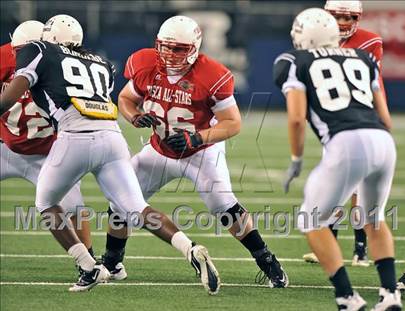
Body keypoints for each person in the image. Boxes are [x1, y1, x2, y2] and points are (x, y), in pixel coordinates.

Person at [0, 14, 221, 295]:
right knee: (136, 208)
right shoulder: (100, 61)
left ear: (49, 37)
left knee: (45, 203)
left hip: (74, 137)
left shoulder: (40, 50)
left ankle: (87, 267)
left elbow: (10, 99)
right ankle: (190, 248)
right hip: (112, 138)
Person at [103, 15, 289, 288]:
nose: (169, 54)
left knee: (224, 207)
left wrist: (197, 138)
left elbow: (233, 123)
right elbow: (126, 99)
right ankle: (112, 262)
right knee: (120, 197)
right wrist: (133, 116)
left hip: (201, 152)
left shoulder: (212, 74)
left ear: (193, 48)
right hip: (159, 149)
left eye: (177, 48)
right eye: (165, 47)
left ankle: (268, 261)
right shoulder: (144, 63)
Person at [274, 8, 401, 310]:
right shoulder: (363, 58)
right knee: (374, 218)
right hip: (383, 141)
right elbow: (386, 118)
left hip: (345, 141)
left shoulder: (293, 61)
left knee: (310, 218)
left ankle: (347, 296)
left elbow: (295, 119)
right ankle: (390, 295)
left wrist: (296, 158)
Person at [0, 20, 95, 262]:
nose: (18, 56)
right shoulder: (4, 57)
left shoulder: (58, 65)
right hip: (6, 145)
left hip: (48, 150)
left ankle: (90, 260)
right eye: (17, 51)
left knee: (74, 207)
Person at [303, 0, 386, 267]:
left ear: (357, 18)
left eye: (349, 17)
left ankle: (360, 248)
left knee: (356, 183)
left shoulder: (369, 41)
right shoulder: (315, 37)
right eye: (337, 16)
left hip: (359, 117)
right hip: (332, 118)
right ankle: (332, 244)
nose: (343, 22)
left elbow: (372, 82)